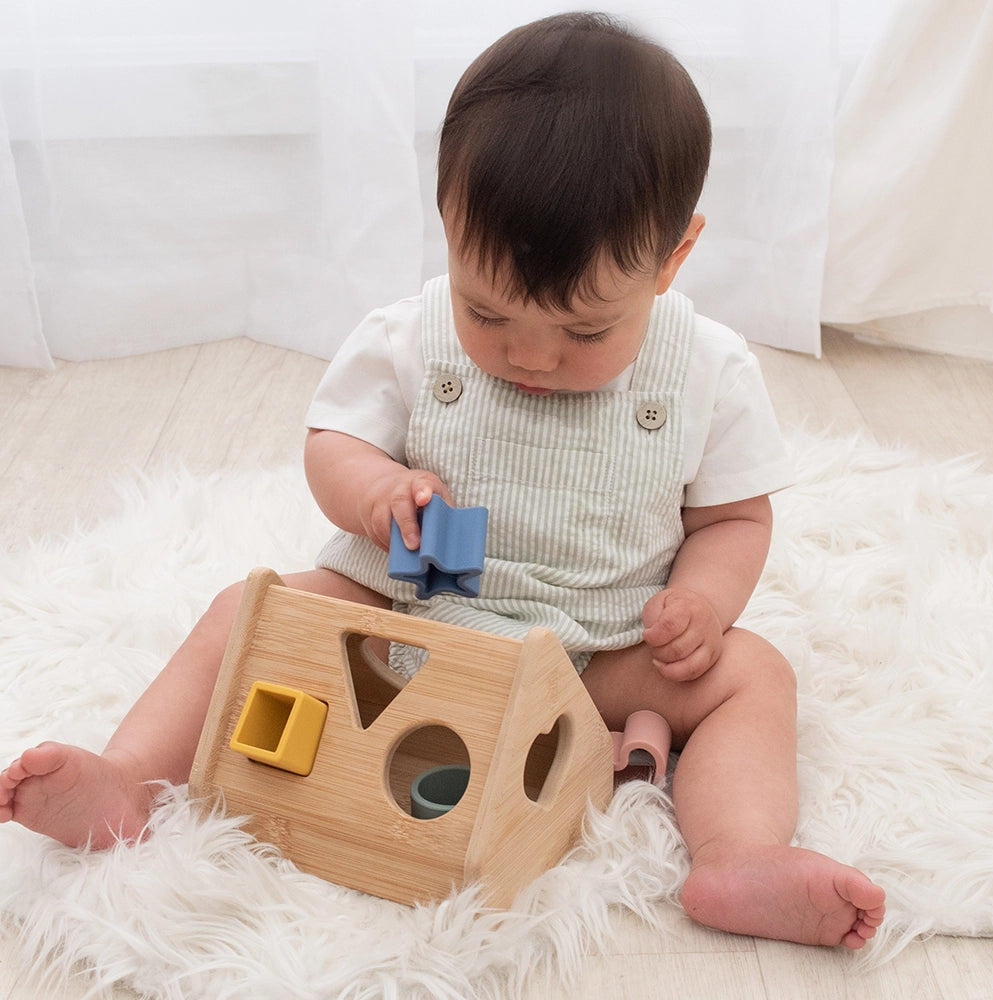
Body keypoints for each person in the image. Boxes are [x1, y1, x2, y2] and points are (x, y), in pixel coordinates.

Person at [0, 12, 885, 949]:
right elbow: (331, 443)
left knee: (753, 672)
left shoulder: (708, 371)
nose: (530, 355)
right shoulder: (408, 337)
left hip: (598, 653)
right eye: (487, 310)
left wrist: (702, 604)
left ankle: (737, 853)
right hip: (400, 617)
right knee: (245, 612)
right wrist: (376, 495)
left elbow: (735, 519)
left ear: (675, 257)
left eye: (586, 331)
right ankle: (131, 779)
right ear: (449, 226)